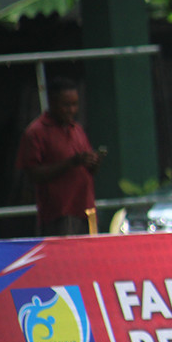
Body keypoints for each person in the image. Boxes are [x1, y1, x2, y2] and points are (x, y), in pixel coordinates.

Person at [17, 77, 104, 236]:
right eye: (66, 105)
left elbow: (89, 171)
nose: (71, 110)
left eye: (75, 104)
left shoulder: (77, 129)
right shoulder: (36, 132)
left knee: (89, 258)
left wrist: (93, 162)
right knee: (66, 259)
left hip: (87, 211)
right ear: (52, 102)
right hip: (60, 214)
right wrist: (70, 163)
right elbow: (33, 174)